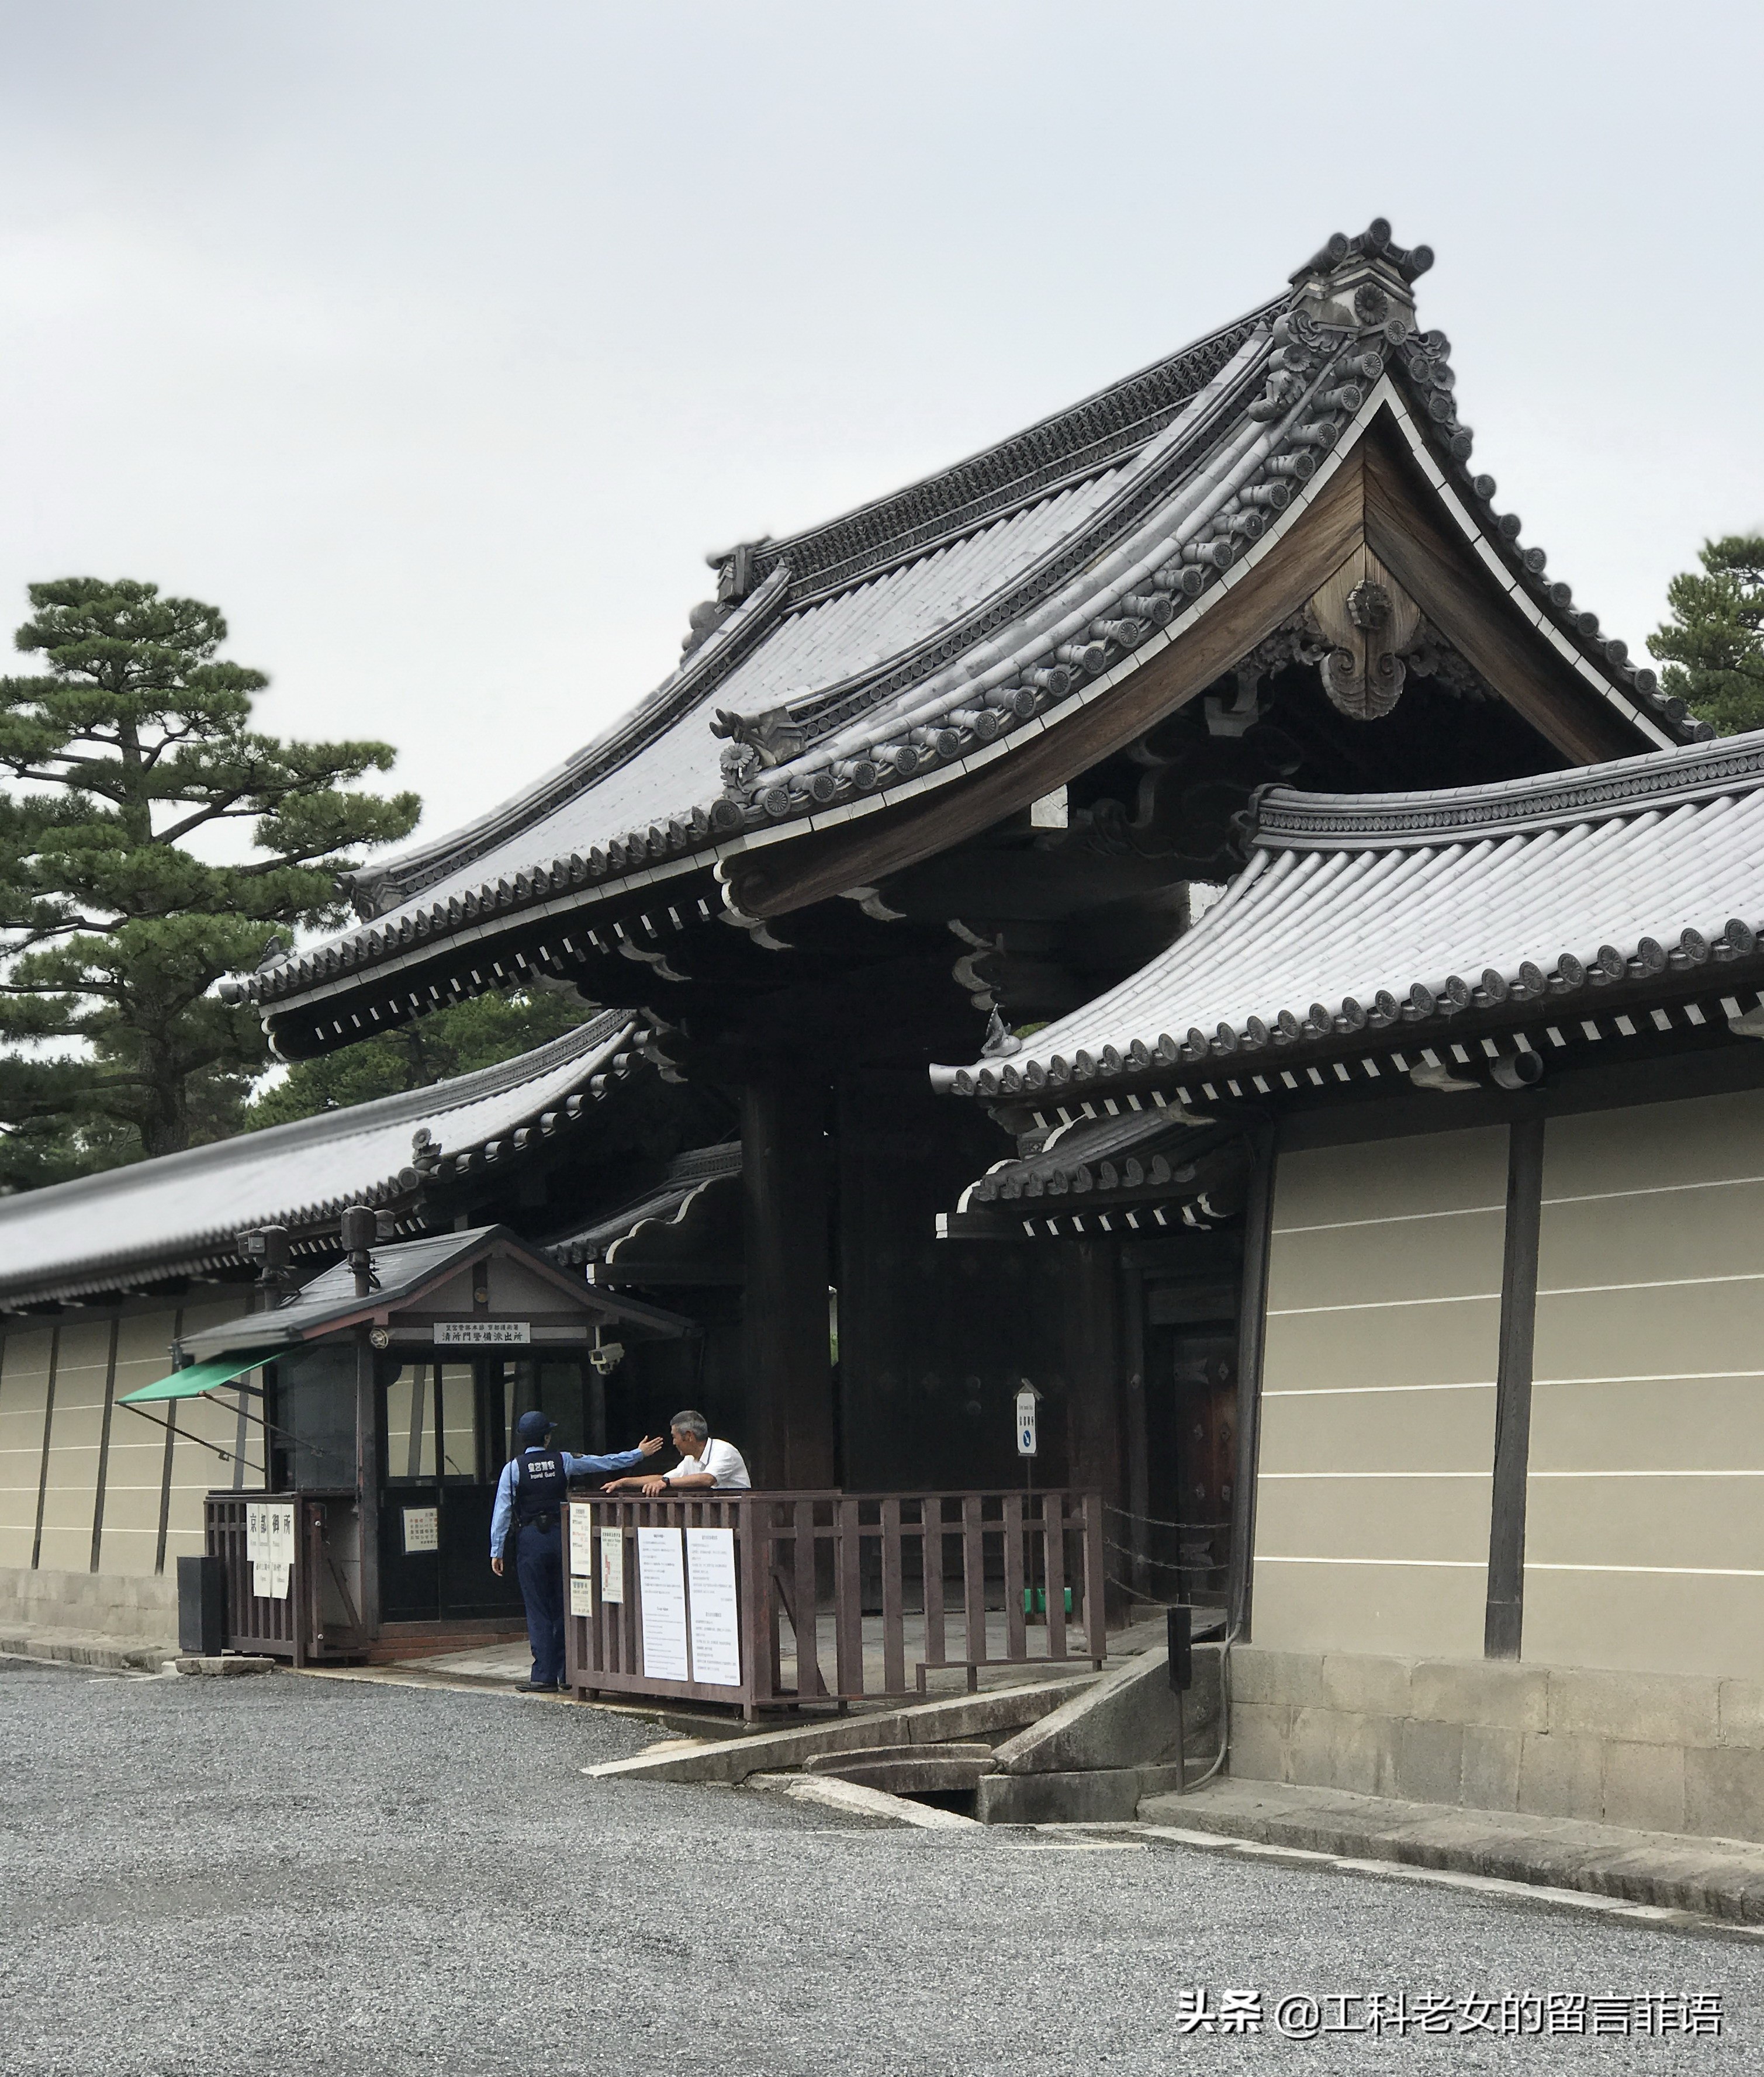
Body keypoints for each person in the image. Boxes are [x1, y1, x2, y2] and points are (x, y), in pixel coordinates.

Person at [490, 1409, 664, 1693]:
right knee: (564, 1606)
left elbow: (503, 1512)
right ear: (547, 1437)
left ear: (523, 1439)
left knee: (538, 1608)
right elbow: (602, 1463)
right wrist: (638, 1454)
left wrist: (497, 1550)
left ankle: (543, 1675)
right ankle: (567, 1672)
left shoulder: (513, 1469)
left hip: (530, 1539)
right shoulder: (564, 1460)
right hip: (562, 1536)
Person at [603, 1409, 750, 1496]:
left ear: (689, 1436)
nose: (673, 1443)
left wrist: (665, 1482)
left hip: (741, 1518)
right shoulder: (690, 1459)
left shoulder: (724, 1451)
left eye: (675, 1437)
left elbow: (707, 1479)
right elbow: (663, 1478)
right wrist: (623, 1482)